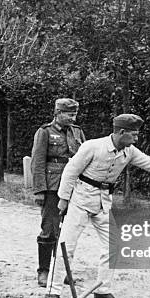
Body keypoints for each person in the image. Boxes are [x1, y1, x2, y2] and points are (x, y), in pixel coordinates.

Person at [44, 114, 150, 298]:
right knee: (66, 246)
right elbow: (71, 171)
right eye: (134, 134)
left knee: (114, 245)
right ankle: (53, 292)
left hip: (103, 202)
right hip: (79, 199)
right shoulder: (92, 147)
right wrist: (63, 199)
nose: (137, 138)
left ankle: (102, 291)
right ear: (121, 132)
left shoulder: (129, 151)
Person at [31, 98, 86, 287]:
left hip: (74, 188)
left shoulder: (77, 132)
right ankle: (44, 271)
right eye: (69, 114)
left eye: (75, 114)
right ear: (58, 113)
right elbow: (37, 162)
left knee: (68, 232)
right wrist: (39, 190)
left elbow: (84, 159)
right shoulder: (45, 132)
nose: (73, 117)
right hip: (53, 188)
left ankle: (61, 270)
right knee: (49, 230)